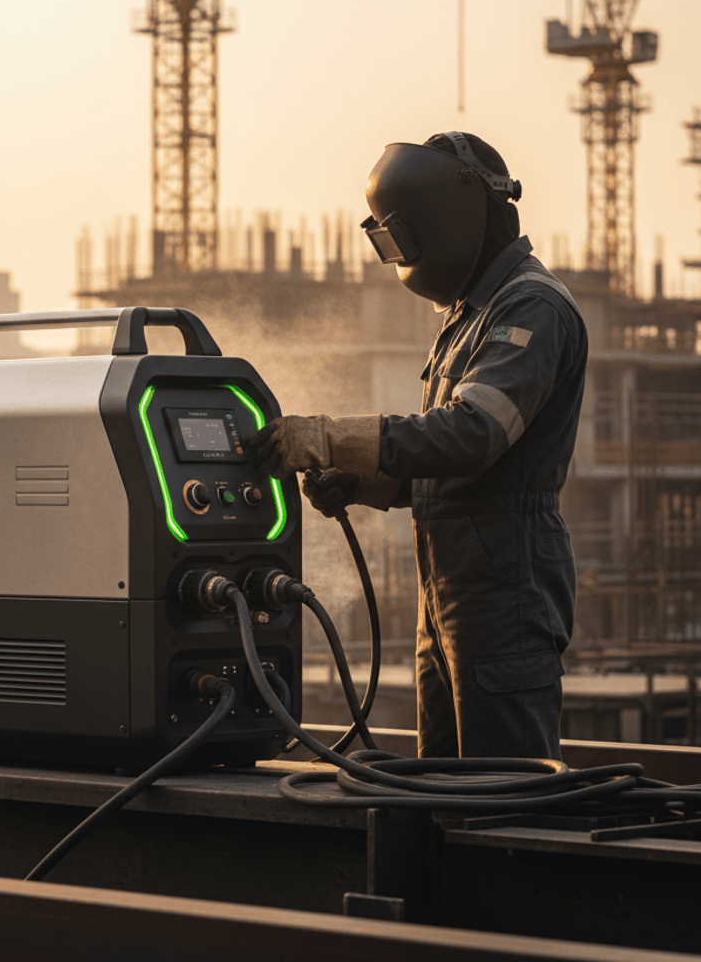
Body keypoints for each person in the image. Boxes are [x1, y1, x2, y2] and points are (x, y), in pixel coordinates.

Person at [250, 131, 587, 760]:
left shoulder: (532, 309)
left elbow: (472, 436)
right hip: (451, 591)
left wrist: (329, 435)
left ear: (450, 219)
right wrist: (360, 481)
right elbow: (446, 470)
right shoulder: (469, 317)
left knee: (499, 796)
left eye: (401, 237)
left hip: (505, 587)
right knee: (440, 791)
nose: (398, 254)